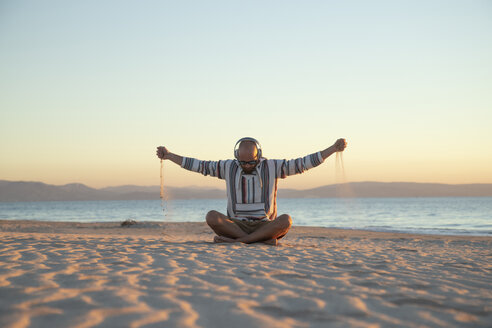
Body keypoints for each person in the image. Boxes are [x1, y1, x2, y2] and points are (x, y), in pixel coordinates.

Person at [156, 137, 347, 245]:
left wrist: (332, 148)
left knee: (286, 220)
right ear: (236, 157)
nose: (247, 165)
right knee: (212, 216)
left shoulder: (272, 167)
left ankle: (240, 242)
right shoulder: (228, 167)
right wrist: (169, 155)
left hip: (265, 225)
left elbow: (303, 163)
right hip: (236, 225)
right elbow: (199, 165)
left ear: (259, 156)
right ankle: (256, 241)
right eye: (243, 162)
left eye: (251, 162)